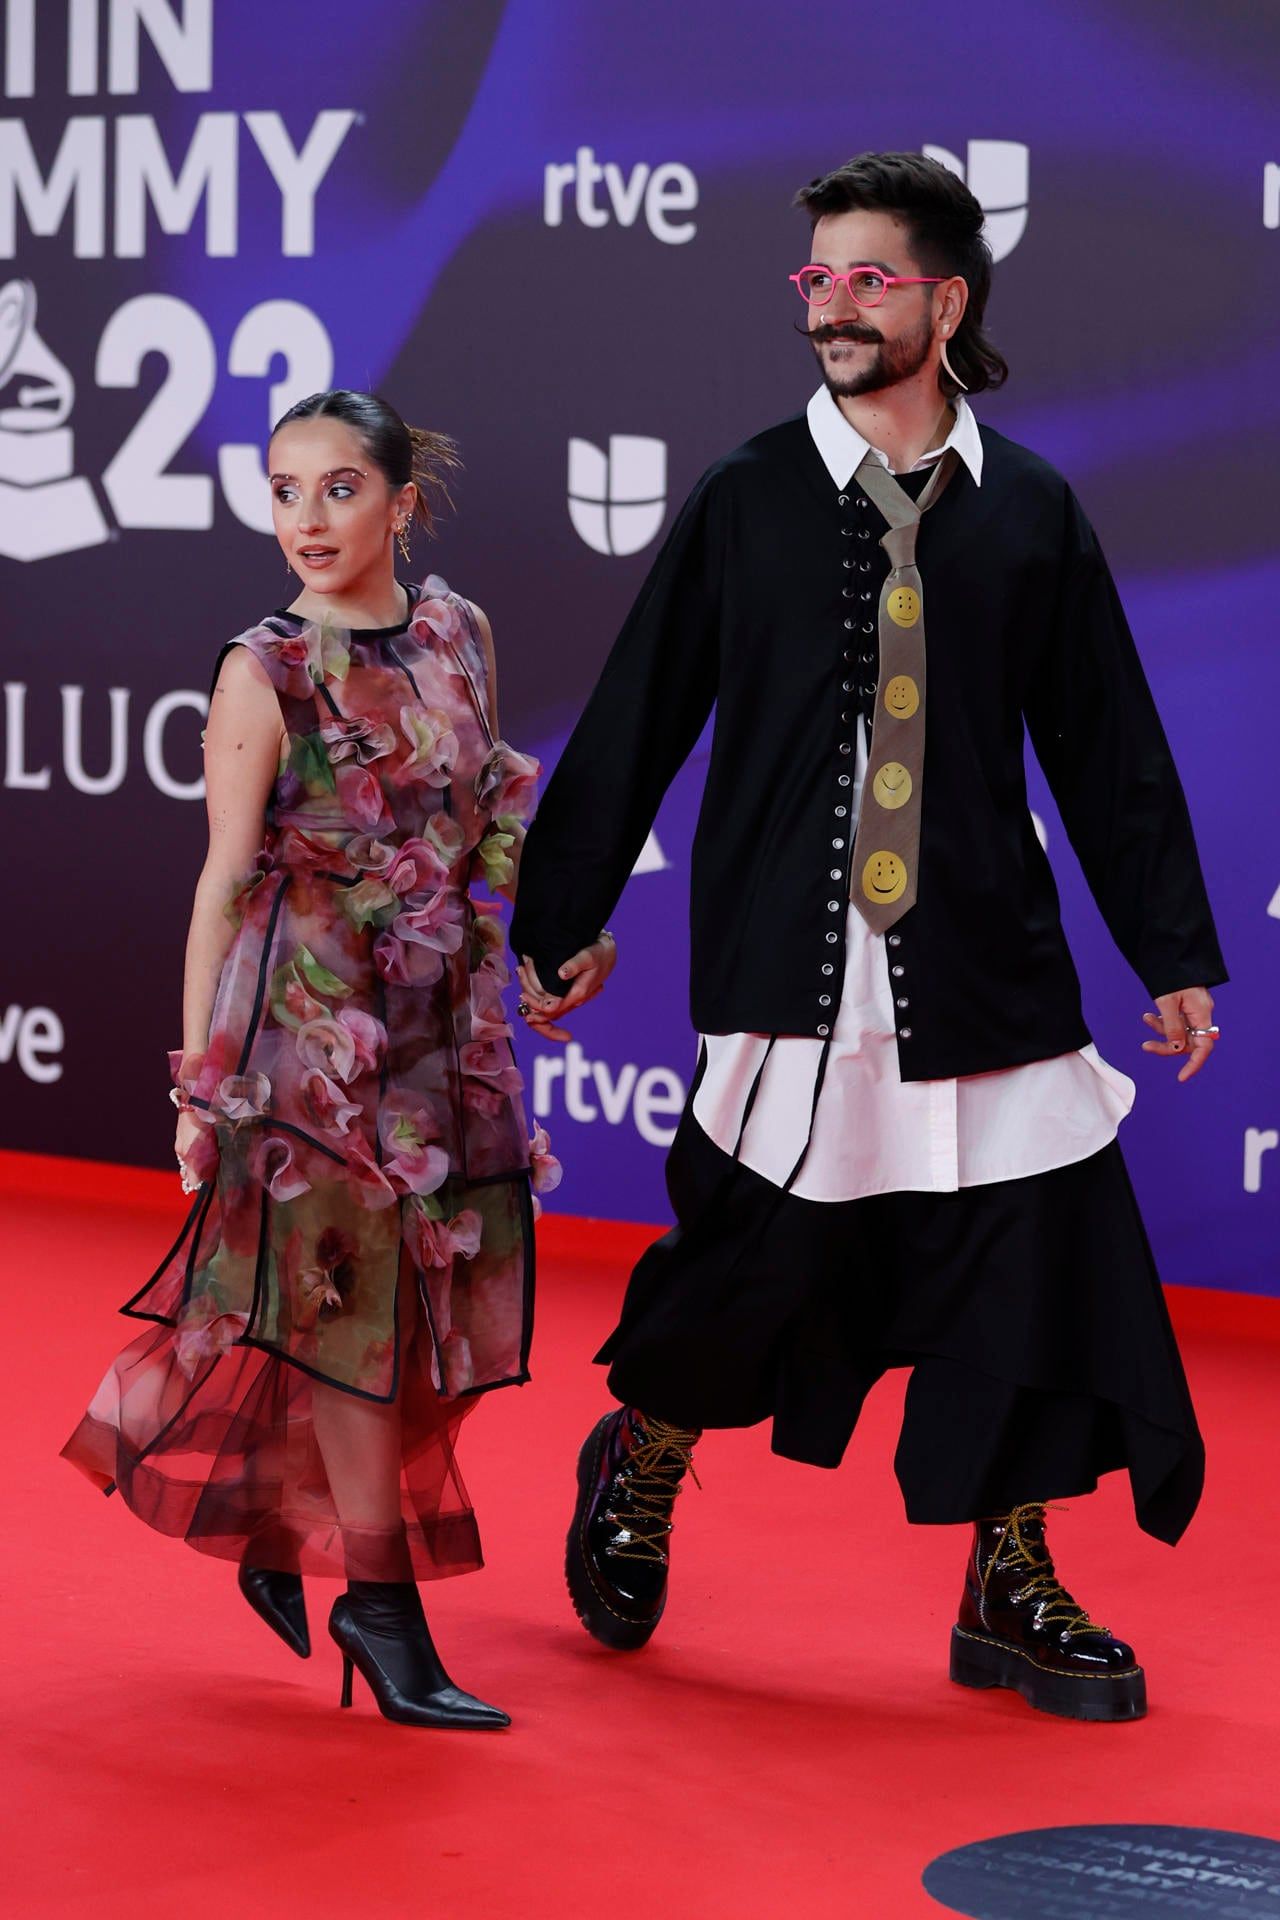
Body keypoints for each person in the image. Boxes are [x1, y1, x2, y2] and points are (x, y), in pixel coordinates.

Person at [509, 153, 1226, 1723]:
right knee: (750, 1269)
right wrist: (555, 917)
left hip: (988, 969)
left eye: (865, 278)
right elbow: (640, 714)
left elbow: (1108, 743)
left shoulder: (1031, 507)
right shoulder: (750, 494)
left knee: (1036, 1271)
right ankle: (645, 1448)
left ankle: (1011, 1576)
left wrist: (1172, 947)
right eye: (815, 279)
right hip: (792, 969)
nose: (831, 304)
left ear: (946, 300)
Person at [63, 389, 560, 1730]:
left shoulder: (460, 634)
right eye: (284, 490)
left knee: (413, 1330)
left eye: (339, 488)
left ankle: (280, 1520)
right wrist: (199, 1085)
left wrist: (525, 964)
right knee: (353, 1327)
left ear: (405, 500)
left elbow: (480, 819)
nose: (307, 519)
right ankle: (381, 1609)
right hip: (309, 1047)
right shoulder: (263, 671)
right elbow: (222, 885)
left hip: (442, 1038)